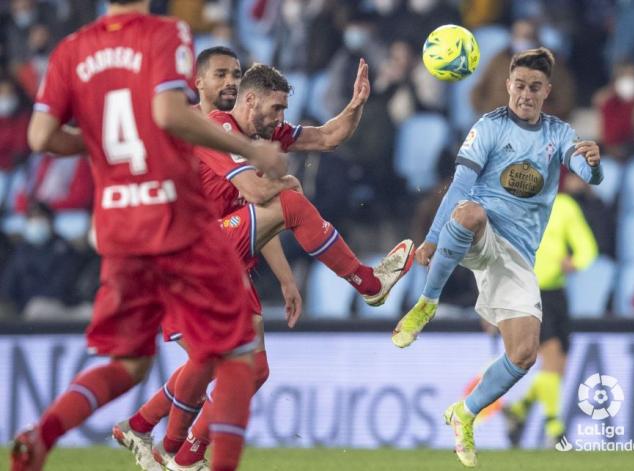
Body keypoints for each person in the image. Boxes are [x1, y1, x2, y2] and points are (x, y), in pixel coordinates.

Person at [9, 1, 286, 471]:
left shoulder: (71, 49)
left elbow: (39, 137)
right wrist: (245, 146)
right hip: (174, 219)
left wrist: (94, 140)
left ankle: (43, 433)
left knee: (129, 365)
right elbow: (166, 112)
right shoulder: (165, 33)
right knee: (241, 347)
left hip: (117, 229)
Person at [116, 52, 414, 471]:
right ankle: (368, 284)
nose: (280, 117)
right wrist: (287, 184)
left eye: (235, 74)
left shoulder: (264, 134)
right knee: (215, 360)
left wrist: (357, 104)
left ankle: (166, 444)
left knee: (252, 370)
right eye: (275, 108)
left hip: (227, 259)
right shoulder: (216, 129)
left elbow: (328, 137)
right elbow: (260, 197)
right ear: (251, 102)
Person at [391, 47, 603, 467]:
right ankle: (426, 304)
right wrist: (432, 239)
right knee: (470, 211)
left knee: (524, 354)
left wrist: (593, 165)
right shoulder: (488, 127)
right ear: (508, 85)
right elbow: (458, 188)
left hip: (517, 257)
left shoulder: (559, 133)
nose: (526, 93)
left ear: (547, 91)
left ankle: (464, 413)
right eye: (520, 85)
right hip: (481, 233)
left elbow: (585, 173)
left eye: (535, 87)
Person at [502, 191, 598, 447]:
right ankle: (554, 430)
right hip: (528, 291)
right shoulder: (516, 205)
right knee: (552, 354)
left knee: (558, 366)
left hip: (556, 293)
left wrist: (576, 261)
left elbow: (586, 245)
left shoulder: (564, 205)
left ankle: (519, 410)